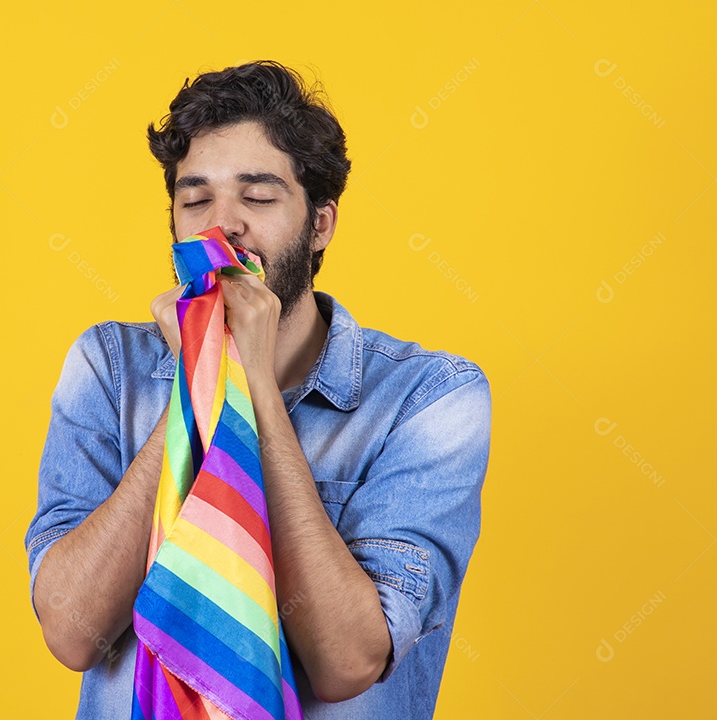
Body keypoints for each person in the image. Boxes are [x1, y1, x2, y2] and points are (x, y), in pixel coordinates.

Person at [25, 60, 492, 719]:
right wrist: (198, 382)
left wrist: (252, 389)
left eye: (259, 197)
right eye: (195, 200)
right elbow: (73, 632)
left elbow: (347, 661)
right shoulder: (108, 368)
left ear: (321, 224)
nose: (223, 227)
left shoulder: (430, 399)